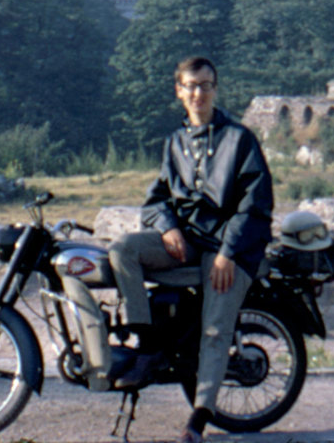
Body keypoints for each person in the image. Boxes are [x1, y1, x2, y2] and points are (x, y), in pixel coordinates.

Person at [109, 55, 274, 443]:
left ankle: (198, 420)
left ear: (215, 89)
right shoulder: (175, 143)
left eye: (206, 85)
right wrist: (167, 227)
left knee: (215, 330)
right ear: (179, 91)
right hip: (188, 241)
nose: (198, 93)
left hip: (231, 247)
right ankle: (147, 346)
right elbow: (155, 200)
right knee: (121, 250)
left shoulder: (240, 139)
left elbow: (256, 205)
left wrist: (227, 253)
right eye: (191, 85)